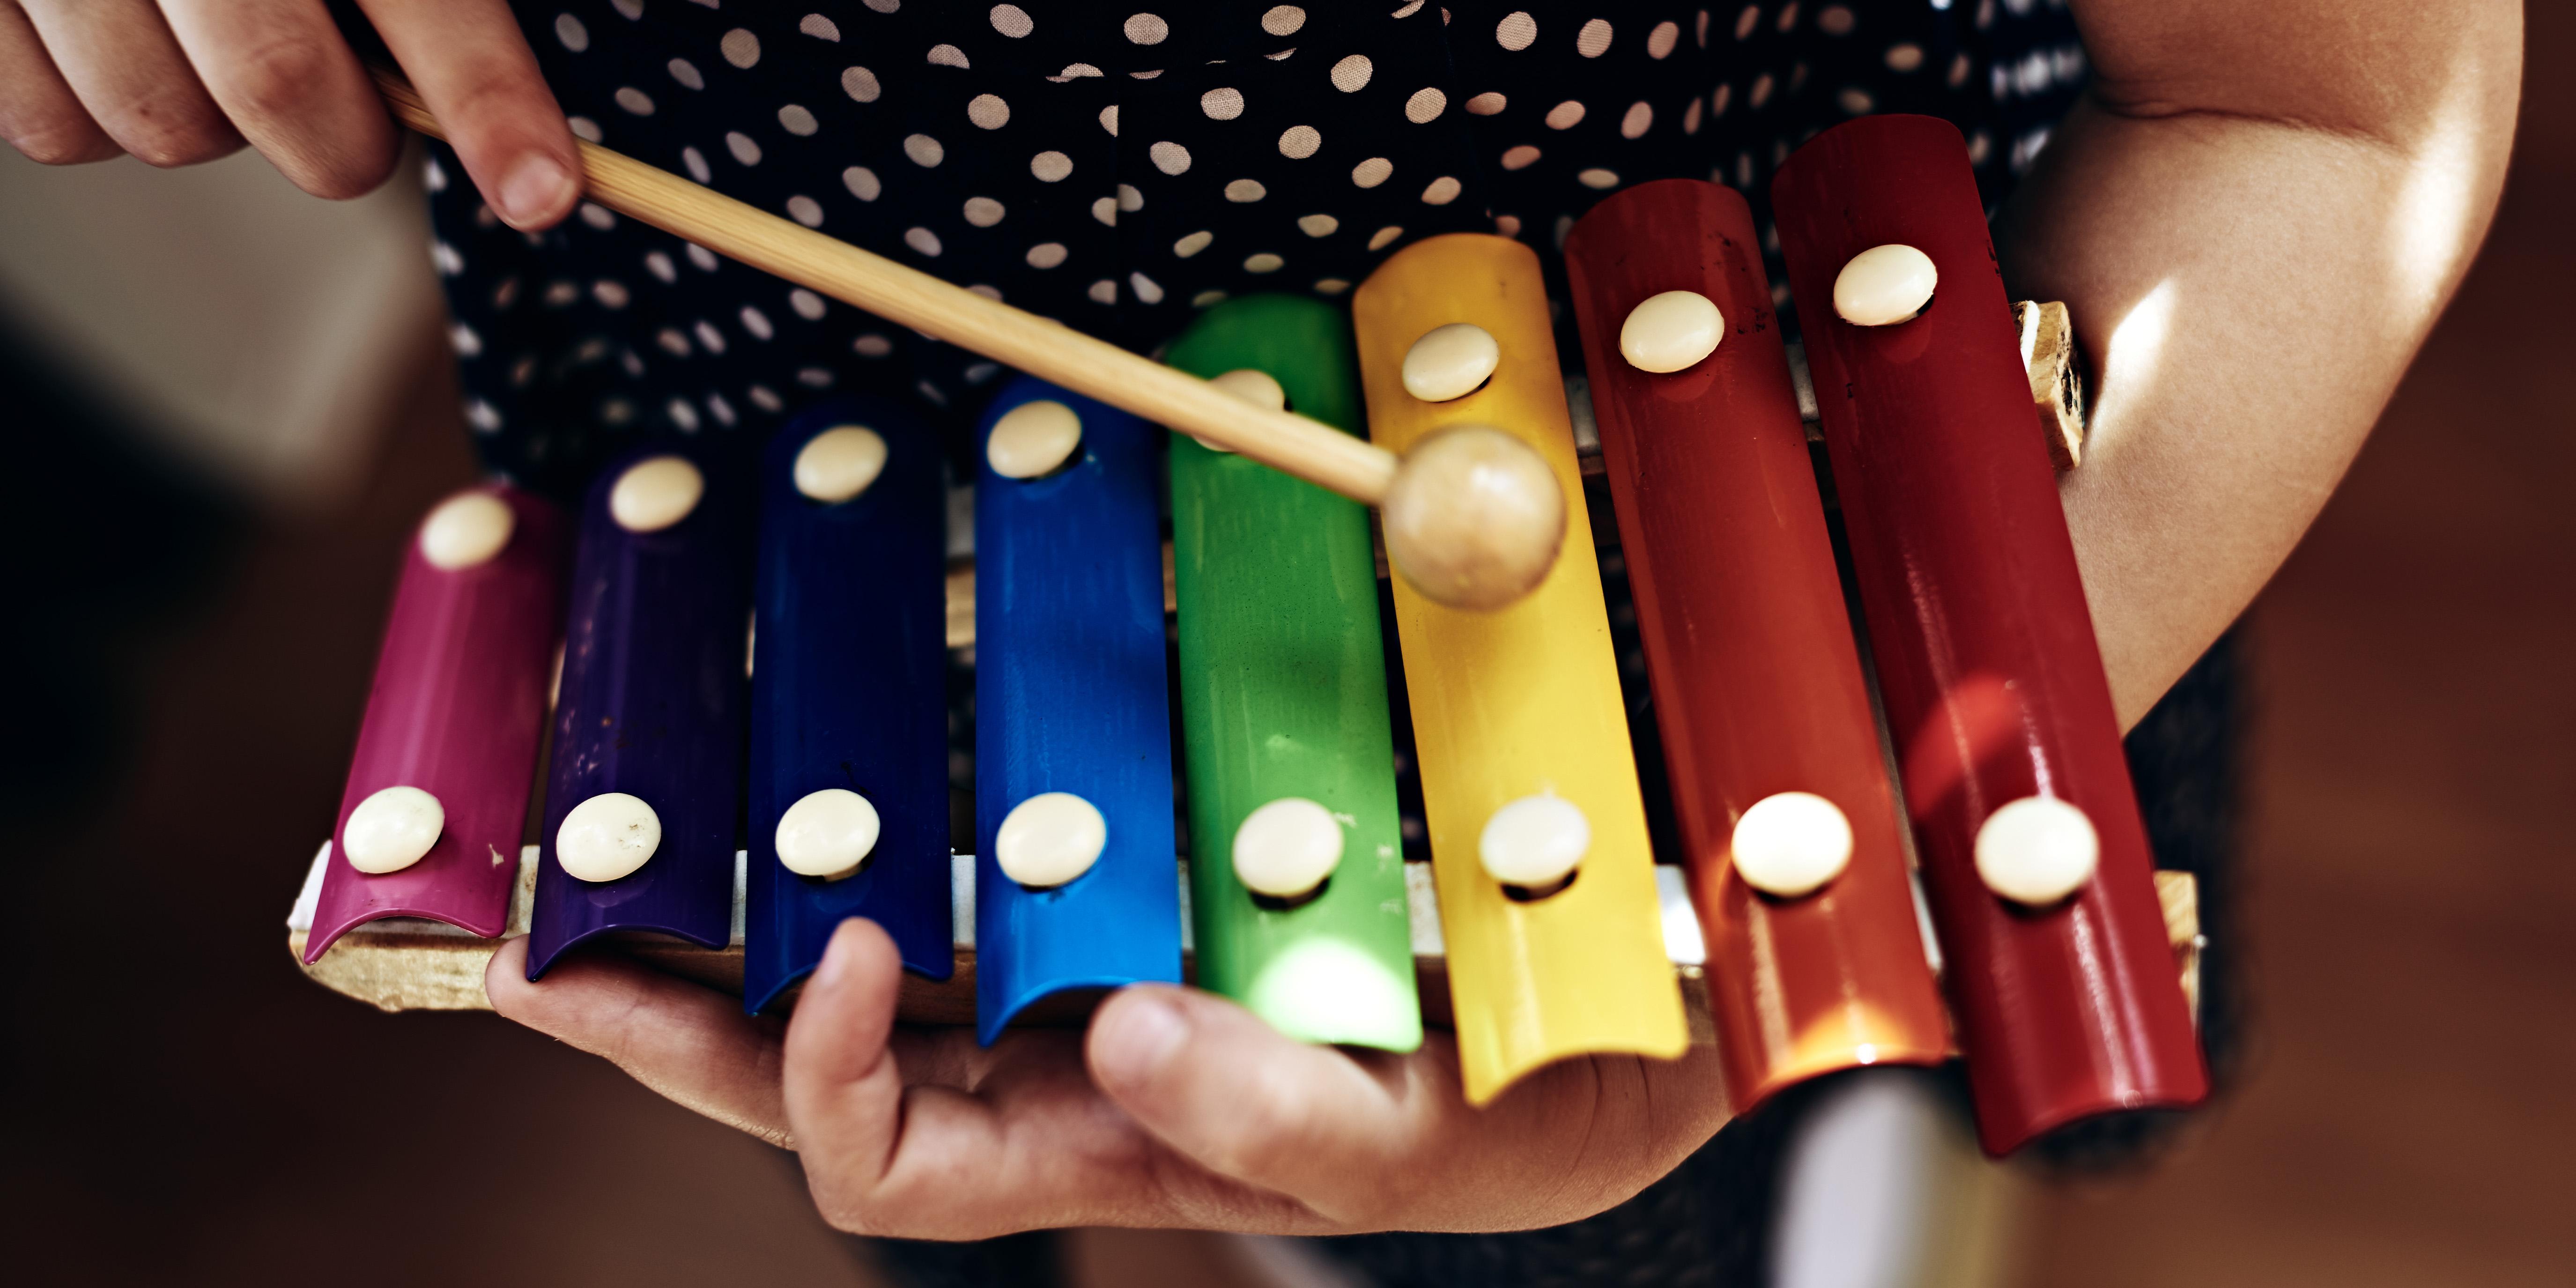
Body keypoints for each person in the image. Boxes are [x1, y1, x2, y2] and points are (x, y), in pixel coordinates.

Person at [0, 0, 2519, 1278]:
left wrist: (1818, 851)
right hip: (811, 542)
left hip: (1714, 669)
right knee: (879, 990)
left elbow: (2313, 94)